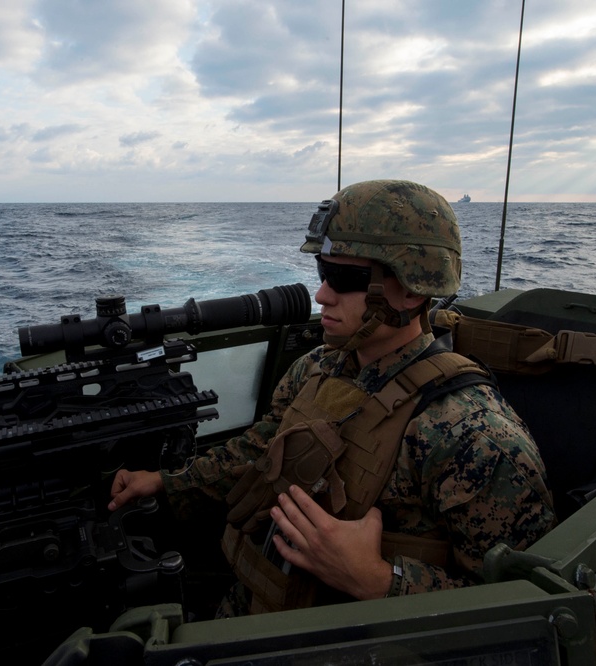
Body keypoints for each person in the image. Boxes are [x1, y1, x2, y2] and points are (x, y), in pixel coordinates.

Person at [109, 179, 556, 614]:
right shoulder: (318, 366)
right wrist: (168, 483)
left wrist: (378, 582)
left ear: (413, 288)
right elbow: (260, 449)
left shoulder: (474, 437)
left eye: (344, 278)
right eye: (324, 272)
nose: (322, 294)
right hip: (259, 602)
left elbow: (525, 607)